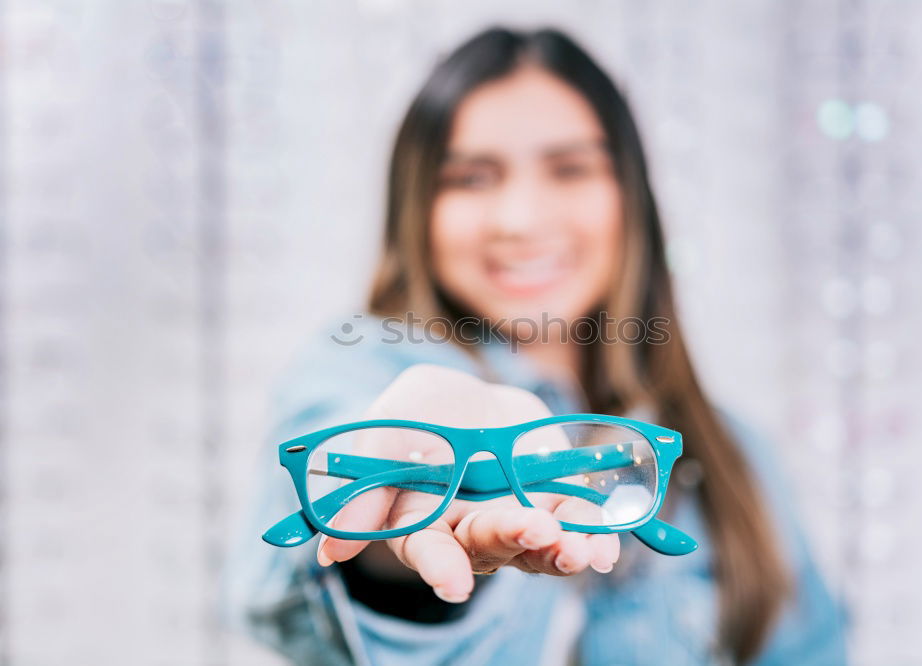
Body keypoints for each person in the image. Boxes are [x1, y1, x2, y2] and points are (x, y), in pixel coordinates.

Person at [222, 26, 848, 666]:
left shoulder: (735, 454)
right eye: (471, 178)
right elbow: (326, 473)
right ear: (417, 207)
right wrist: (400, 514)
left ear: (631, 197)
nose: (520, 219)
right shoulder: (358, 364)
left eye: (571, 168)